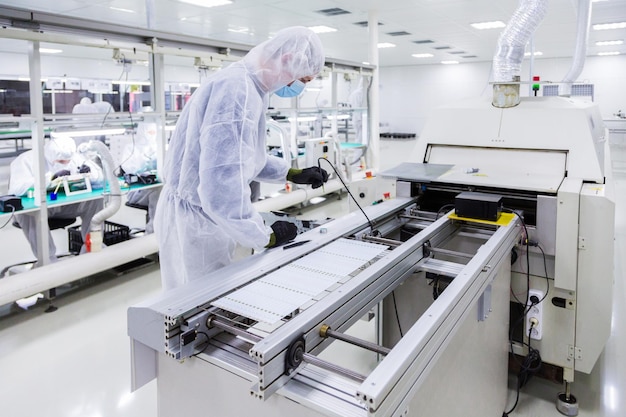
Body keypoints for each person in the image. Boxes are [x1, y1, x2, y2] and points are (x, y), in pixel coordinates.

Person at [155, 26, 329, 290]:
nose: (296, 88)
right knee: (199, 309)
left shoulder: (248, 87)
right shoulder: (237, 91)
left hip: (200, 213)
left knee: (200, 304)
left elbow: (241, 157)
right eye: (301, 80)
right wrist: (265, 236)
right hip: (197, 220)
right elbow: (220, 186)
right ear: (286, 60)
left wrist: (292, 174)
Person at [8, 137, 105, 265]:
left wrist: (90, 174)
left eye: (67, 161)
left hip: (64, 206)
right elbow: (17, 189)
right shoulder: (26, 160)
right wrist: (50, 179)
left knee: (95, 200)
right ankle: (47, 259)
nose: (64, 163)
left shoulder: (74, 156)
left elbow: (100, 177)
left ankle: (93, 247)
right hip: (41, 208)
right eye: (60, 161)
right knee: (28, 211)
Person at [120, 121, 161, 234]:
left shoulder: (158, 147)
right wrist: (146, 163)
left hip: (154, 187)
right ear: (142, 132)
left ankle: (161, 228)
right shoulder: (131, 148)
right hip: (136, 191)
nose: (152, 135)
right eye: (149, 132)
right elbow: (129, 169)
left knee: (163, 190)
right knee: (157, 191)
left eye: (154, 132)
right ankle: (152, 231)